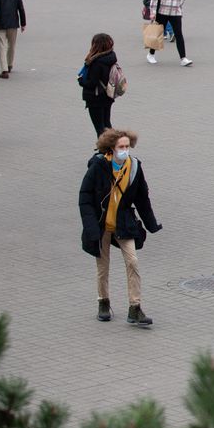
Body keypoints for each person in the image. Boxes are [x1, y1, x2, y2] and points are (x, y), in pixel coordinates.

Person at [78, 129, 162, 327]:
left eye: (127, 146)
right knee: (103, 266)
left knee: (132, 261)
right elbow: (85, 197)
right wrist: (90, 227)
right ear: (111, 149)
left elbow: (142, 198)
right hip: (101, 224)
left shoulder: (134, 167)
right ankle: (103, 302)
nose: (125, 150)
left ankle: (135, 308)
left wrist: (151, 223)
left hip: (123, 222)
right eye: (121, 147)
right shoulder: (99, 166)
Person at [146, 0, 191, 66]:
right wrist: (152, 12)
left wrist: (180, 8)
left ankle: (183, 58)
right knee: (158, 34)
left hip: (175, 13)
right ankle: (151, 54)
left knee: (179, 34)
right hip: (163, 11)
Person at [81, 33, 118, 135]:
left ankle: (106, 149)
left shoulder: (96, 62)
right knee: (107, 124)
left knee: (100, 128)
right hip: (108, 95)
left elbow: (92, 83)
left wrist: (81, 81)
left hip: (96, 98)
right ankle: (114, 147)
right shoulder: (111, 56)